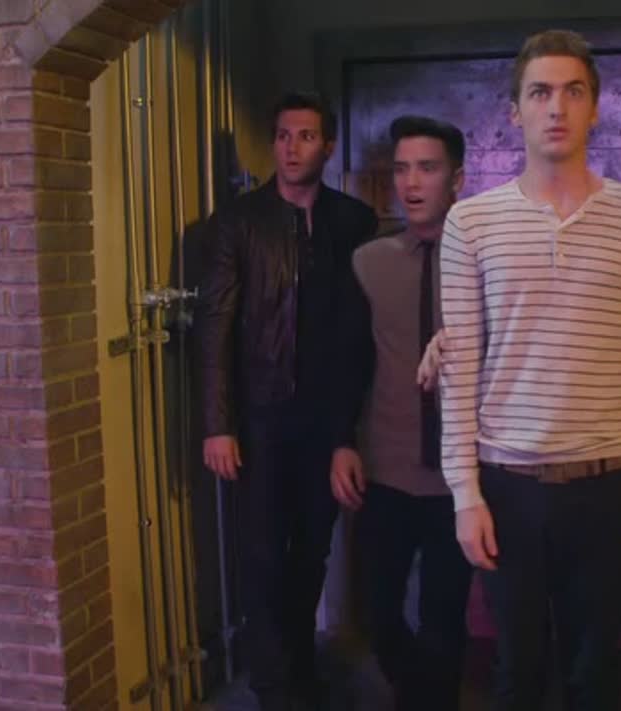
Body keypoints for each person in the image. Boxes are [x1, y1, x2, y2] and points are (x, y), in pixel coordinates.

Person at [436, 29, 621, 710]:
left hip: (606, 483)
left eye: (573, 92)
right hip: (506, 483)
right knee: (515, 673)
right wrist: (464, 493)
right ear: (514, 110)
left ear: (595, 108)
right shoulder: (471, 223)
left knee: (593, 675)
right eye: (540, 92)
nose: (556, 107)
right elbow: (460, 365)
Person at [196, 91, 378, 711]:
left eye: (305, 136)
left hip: (326, 422)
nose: (291, 147)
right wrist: (218, 424)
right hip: (260, 418)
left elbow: (360, 333)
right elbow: (215, 327)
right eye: (281, 135)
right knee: (263, 553)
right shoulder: (239, 222)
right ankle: (273, 687)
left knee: (313, 550)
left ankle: (300, 669)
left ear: (328, 146)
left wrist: (348, 431)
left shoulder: (353, 220)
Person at [330, 115, 473, 711]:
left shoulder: (484, 260)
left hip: (462, 479)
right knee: (380, 616)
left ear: (456, 179)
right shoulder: (368, 262)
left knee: (444, 620)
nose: (411, 183)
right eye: (402, 169)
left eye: (428, 168)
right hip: (385, 473)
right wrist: (342, 442)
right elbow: (345, 362)